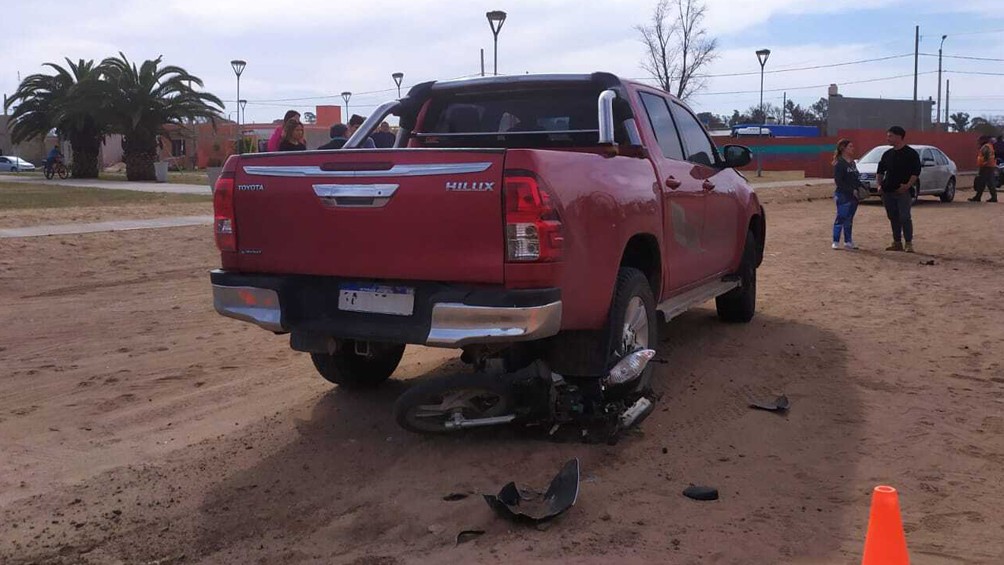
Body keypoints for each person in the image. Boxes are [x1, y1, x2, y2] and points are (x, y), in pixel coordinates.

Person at [875, 126, 921, 253]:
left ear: (899, 136)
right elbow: (880, 171)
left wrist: (907, 186)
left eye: (890, 136)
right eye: (887, 135)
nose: (887, 138)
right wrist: (879, 185)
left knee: (905, 217)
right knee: (893, 217)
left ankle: (909, 243)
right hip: (887, 192)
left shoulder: (911, 154)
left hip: (903, 192)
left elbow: (916, 172)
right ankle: (897, 242)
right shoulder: (887, 154)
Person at [831, 139, 862, 250]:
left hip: (854, 194)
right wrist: (850, 190)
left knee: (849, 218)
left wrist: (861, 187)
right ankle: (835, 240)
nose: (852, 148)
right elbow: (839, 181)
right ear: (843, 148)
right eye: (850, 146)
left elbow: (855, 177)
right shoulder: (839, 163)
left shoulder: (852, 163)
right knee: (841, 217)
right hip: (843, 194)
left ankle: (848, 241)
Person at [970, 135, 998, 203]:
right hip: (990, 166)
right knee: (989, 182)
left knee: (981, 182)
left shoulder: (985, 147)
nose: (978, 141)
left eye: (979, 140)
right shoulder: (990, 146)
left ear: (983, 140)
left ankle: (978, 197)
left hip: (985, 167)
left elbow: (986, 156)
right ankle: (993, 197)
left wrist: (984, 163)